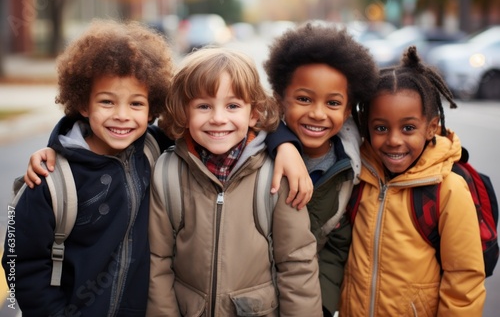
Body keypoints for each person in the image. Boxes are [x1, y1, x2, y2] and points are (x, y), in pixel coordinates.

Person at [2, 19, 175, 316]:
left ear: (151, 109)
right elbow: (18, 260)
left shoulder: (154, 149)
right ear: (83, 104)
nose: (122, 116)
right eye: (107, 102)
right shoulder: (50, 179)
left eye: (136, 104)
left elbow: (215, 134)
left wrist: (283, 144)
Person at [147, 46, 322, 316]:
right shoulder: (168, 172)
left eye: (232, 106)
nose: (218, 119)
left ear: (254, 113)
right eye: (203, 106)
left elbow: (296, 263)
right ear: (185, 111)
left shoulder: (277, 173)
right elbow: (158, 262)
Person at [340, 46, 486, 316]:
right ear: (366, 126)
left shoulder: (448, 189)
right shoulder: (359, 174)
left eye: (408, 128)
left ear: (431, 127)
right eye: (381, 128)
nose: (394, 140)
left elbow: (464, 281)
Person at [262, 22, 379, 316]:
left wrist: (324, 306)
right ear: (280, 99)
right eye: (304, 99)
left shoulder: (350, 170)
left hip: (305, 298)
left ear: (348, 109)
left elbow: (337, 245)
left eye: (333, 103)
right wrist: (282, 143)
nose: (317, 113)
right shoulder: (257, 146)